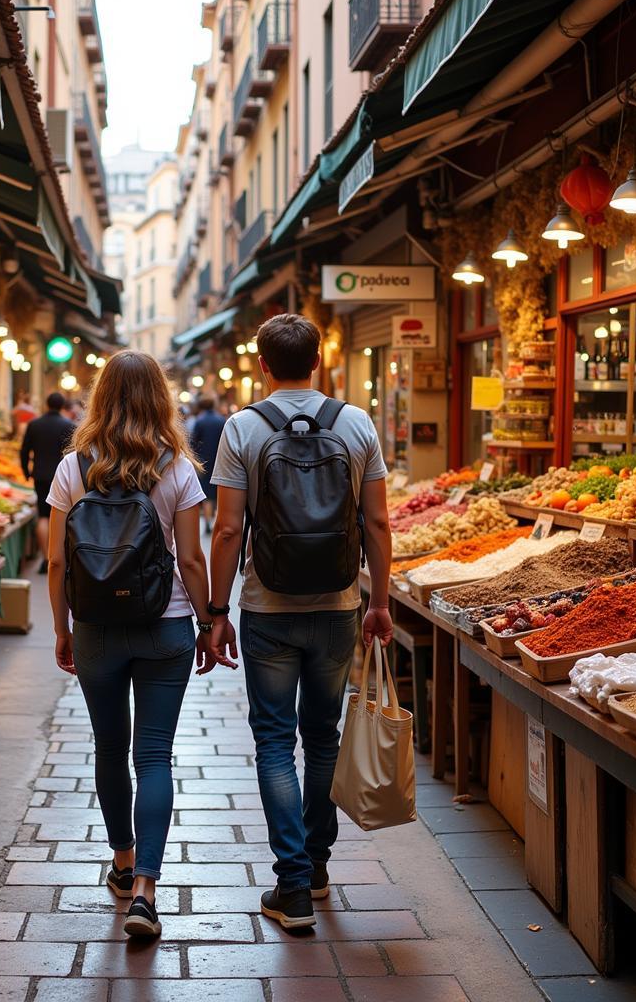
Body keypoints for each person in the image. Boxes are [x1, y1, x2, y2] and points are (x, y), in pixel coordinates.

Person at [207, 313, 394, 932]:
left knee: (272, 741)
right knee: (324, 735)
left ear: (263, 364)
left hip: (267, 609)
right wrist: (380, 602)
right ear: (320, 360)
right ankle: (315, 865)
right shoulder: (356, 422)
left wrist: (215, 610)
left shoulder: (243, 427)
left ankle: (289, 885)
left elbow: (229, 528)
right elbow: (378, 525)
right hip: (340, 607)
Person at [46, 351, 237, 939]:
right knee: (153, 756)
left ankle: (123, 865)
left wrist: (62, 629)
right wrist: (208, 621)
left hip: (98, 629)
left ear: (99, 398)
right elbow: (191, 557)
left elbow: (56, 562)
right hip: (166, 626)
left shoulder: (73, 469)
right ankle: (148, 893)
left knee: (110, 750)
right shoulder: (177, 468)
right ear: (161, 398)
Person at [20, 392, 75, 573]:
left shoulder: (34, 424)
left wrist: (26, 472)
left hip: (40, 475)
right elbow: (73, 454)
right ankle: (57, 557)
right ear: (62, 406)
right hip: (62, 476)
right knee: (60, 516)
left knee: (43, 515)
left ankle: (45, 557)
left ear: (46, 404)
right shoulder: (68, 425)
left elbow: (24, 450)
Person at [190, 395, 227, 535]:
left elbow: (193, 443)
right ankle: (217, 519)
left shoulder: (199, 421)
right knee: (219, 490)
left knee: (205, 493)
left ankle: (207, 522)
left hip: (203, 461)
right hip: (220, 459)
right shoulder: (220, 420)